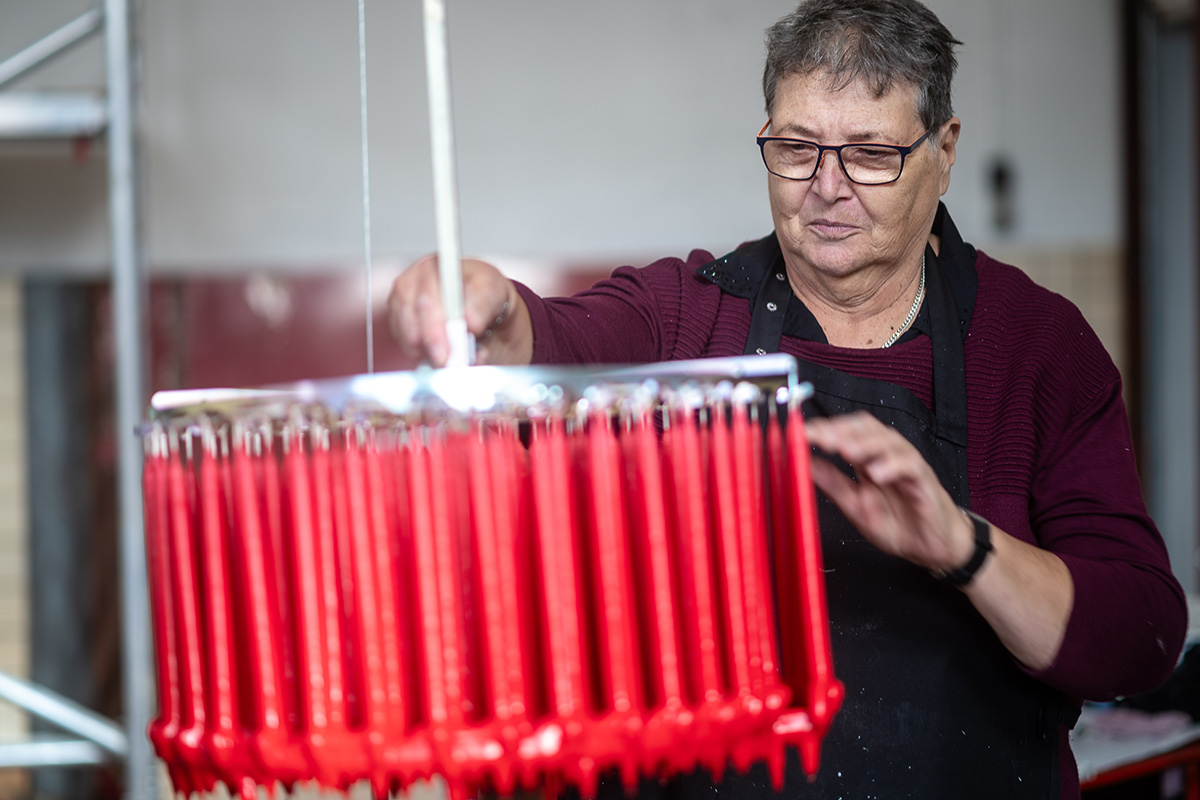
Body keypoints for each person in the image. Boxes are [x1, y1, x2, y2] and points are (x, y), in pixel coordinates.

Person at [388, 1, 1188, 797]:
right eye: (797, 148)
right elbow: (556, 347)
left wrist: (965, 548)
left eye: (871, 154)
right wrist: (490, 318)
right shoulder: (687, 317)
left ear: (943, 151)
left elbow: (1140, 638)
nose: (826, 188)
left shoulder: (1038, 346)